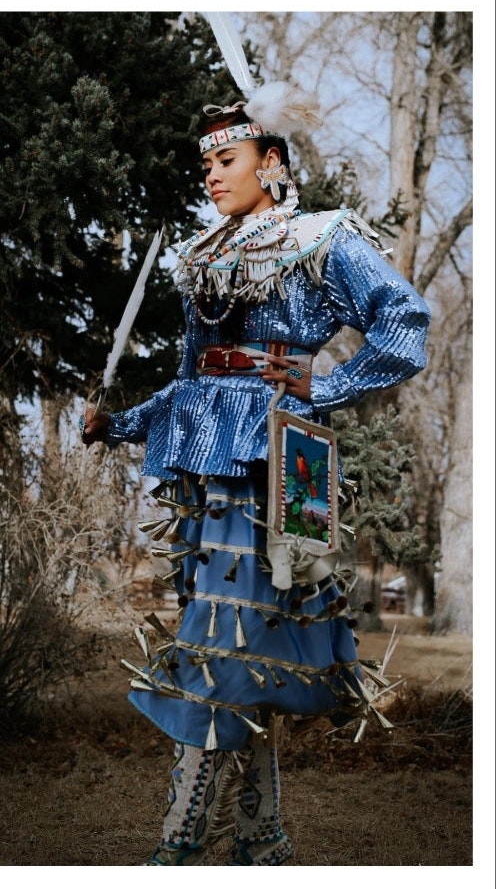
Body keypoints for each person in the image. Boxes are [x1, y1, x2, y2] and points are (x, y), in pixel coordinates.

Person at [82, 96, 430, 865]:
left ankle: (176, 846)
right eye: (204, 163)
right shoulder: (201, 256)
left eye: (226, 160)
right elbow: (188, 379)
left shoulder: (320, 237)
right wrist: (121, 424)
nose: (210, 175)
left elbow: (405, 323)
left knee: (221, 651)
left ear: (270, 162)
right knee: (240, 654)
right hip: (206, 471)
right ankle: (262, 840)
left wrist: (322, 389)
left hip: (278, 468)